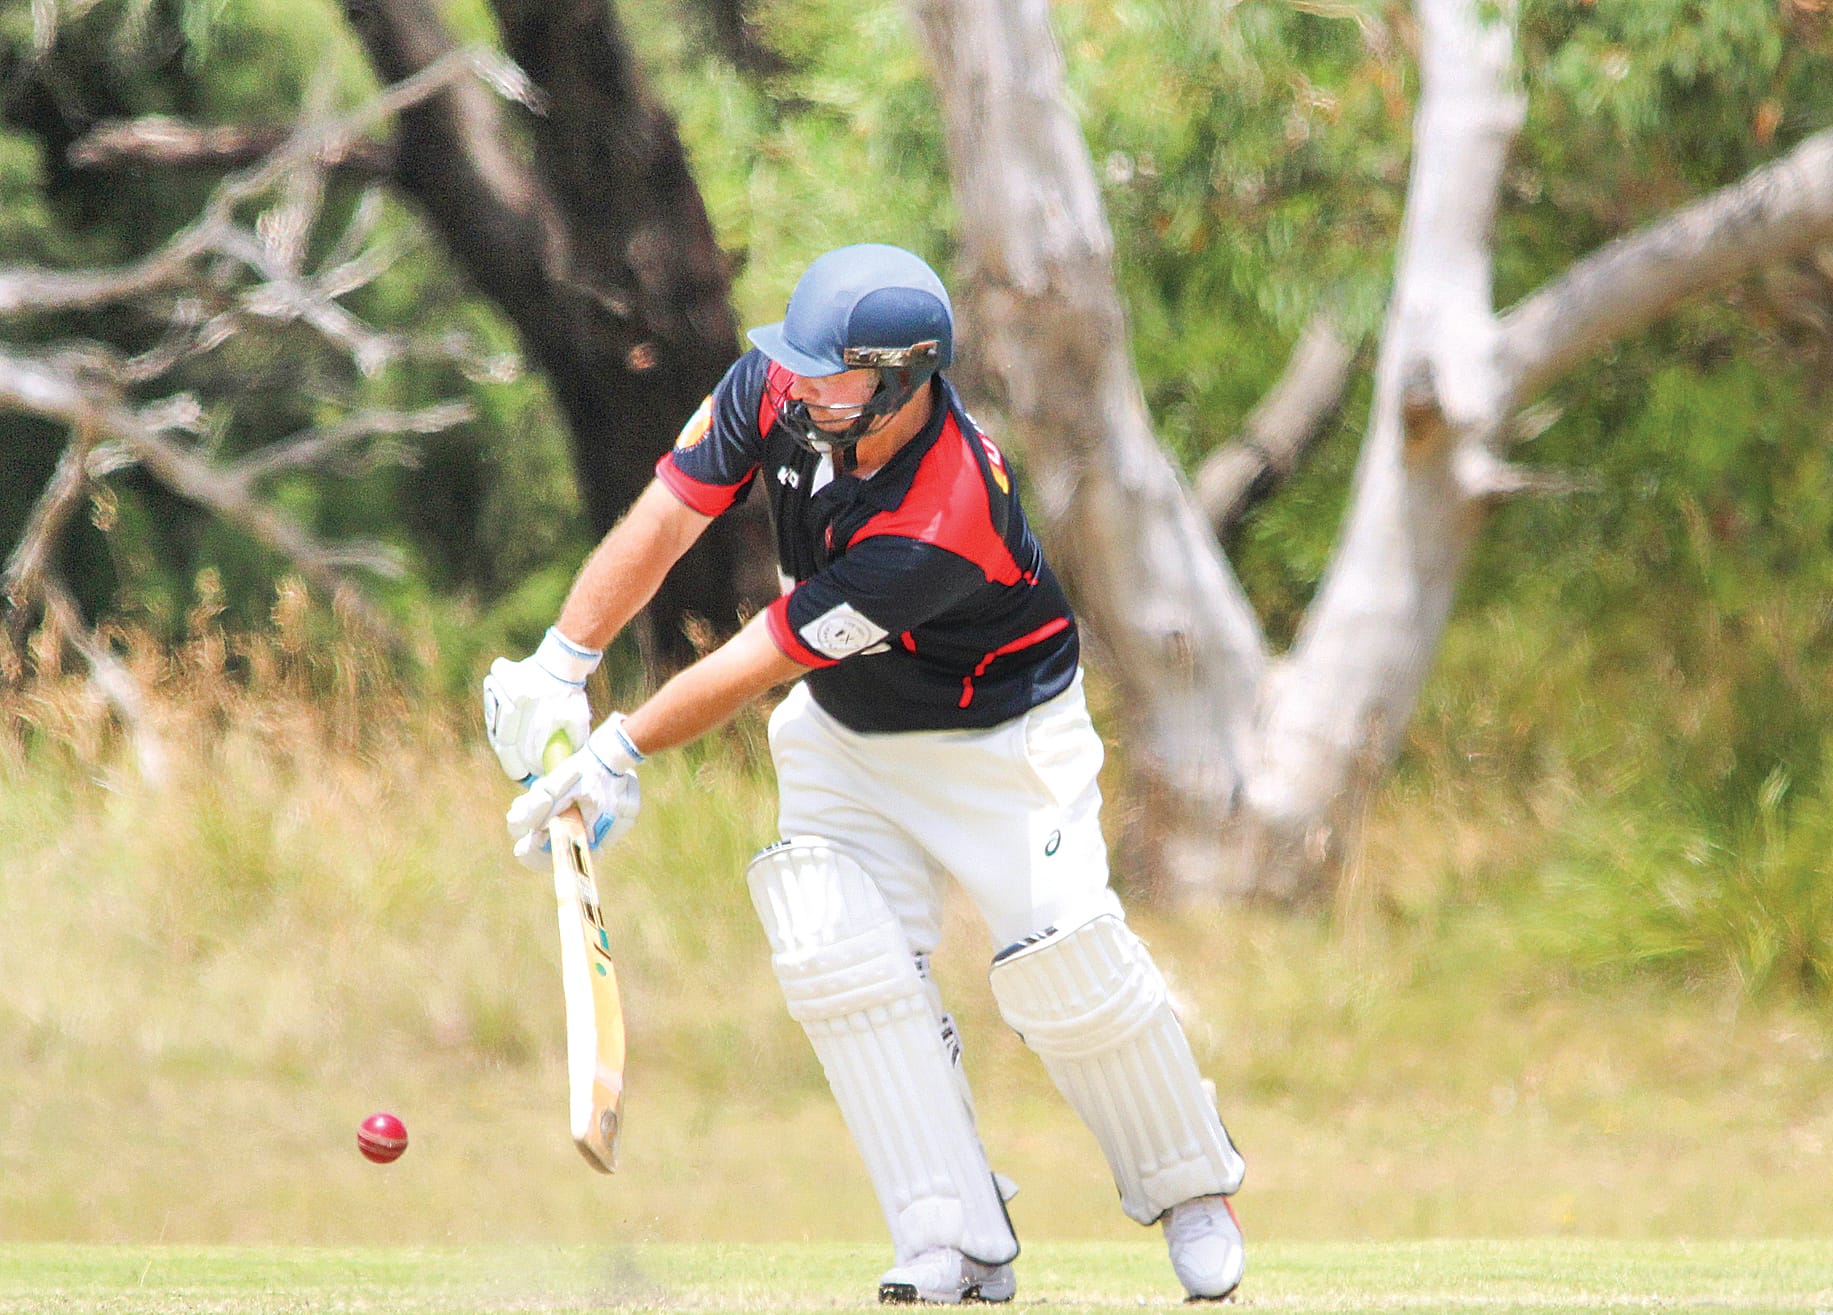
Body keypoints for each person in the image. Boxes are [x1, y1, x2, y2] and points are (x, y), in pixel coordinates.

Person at [482, 243, 1247, 1305]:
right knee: (835, 949)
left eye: (828, 373)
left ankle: (1193, 1187)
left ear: (901, 379)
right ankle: (952, 1237)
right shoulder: (778, 386)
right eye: (793, 362)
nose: (796, 383)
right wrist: (561, 664)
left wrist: (615, 752)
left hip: (1003, 743)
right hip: (847, 735)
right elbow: (668, 514)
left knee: (1065, 967)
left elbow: (763, 655)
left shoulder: (943, 516)